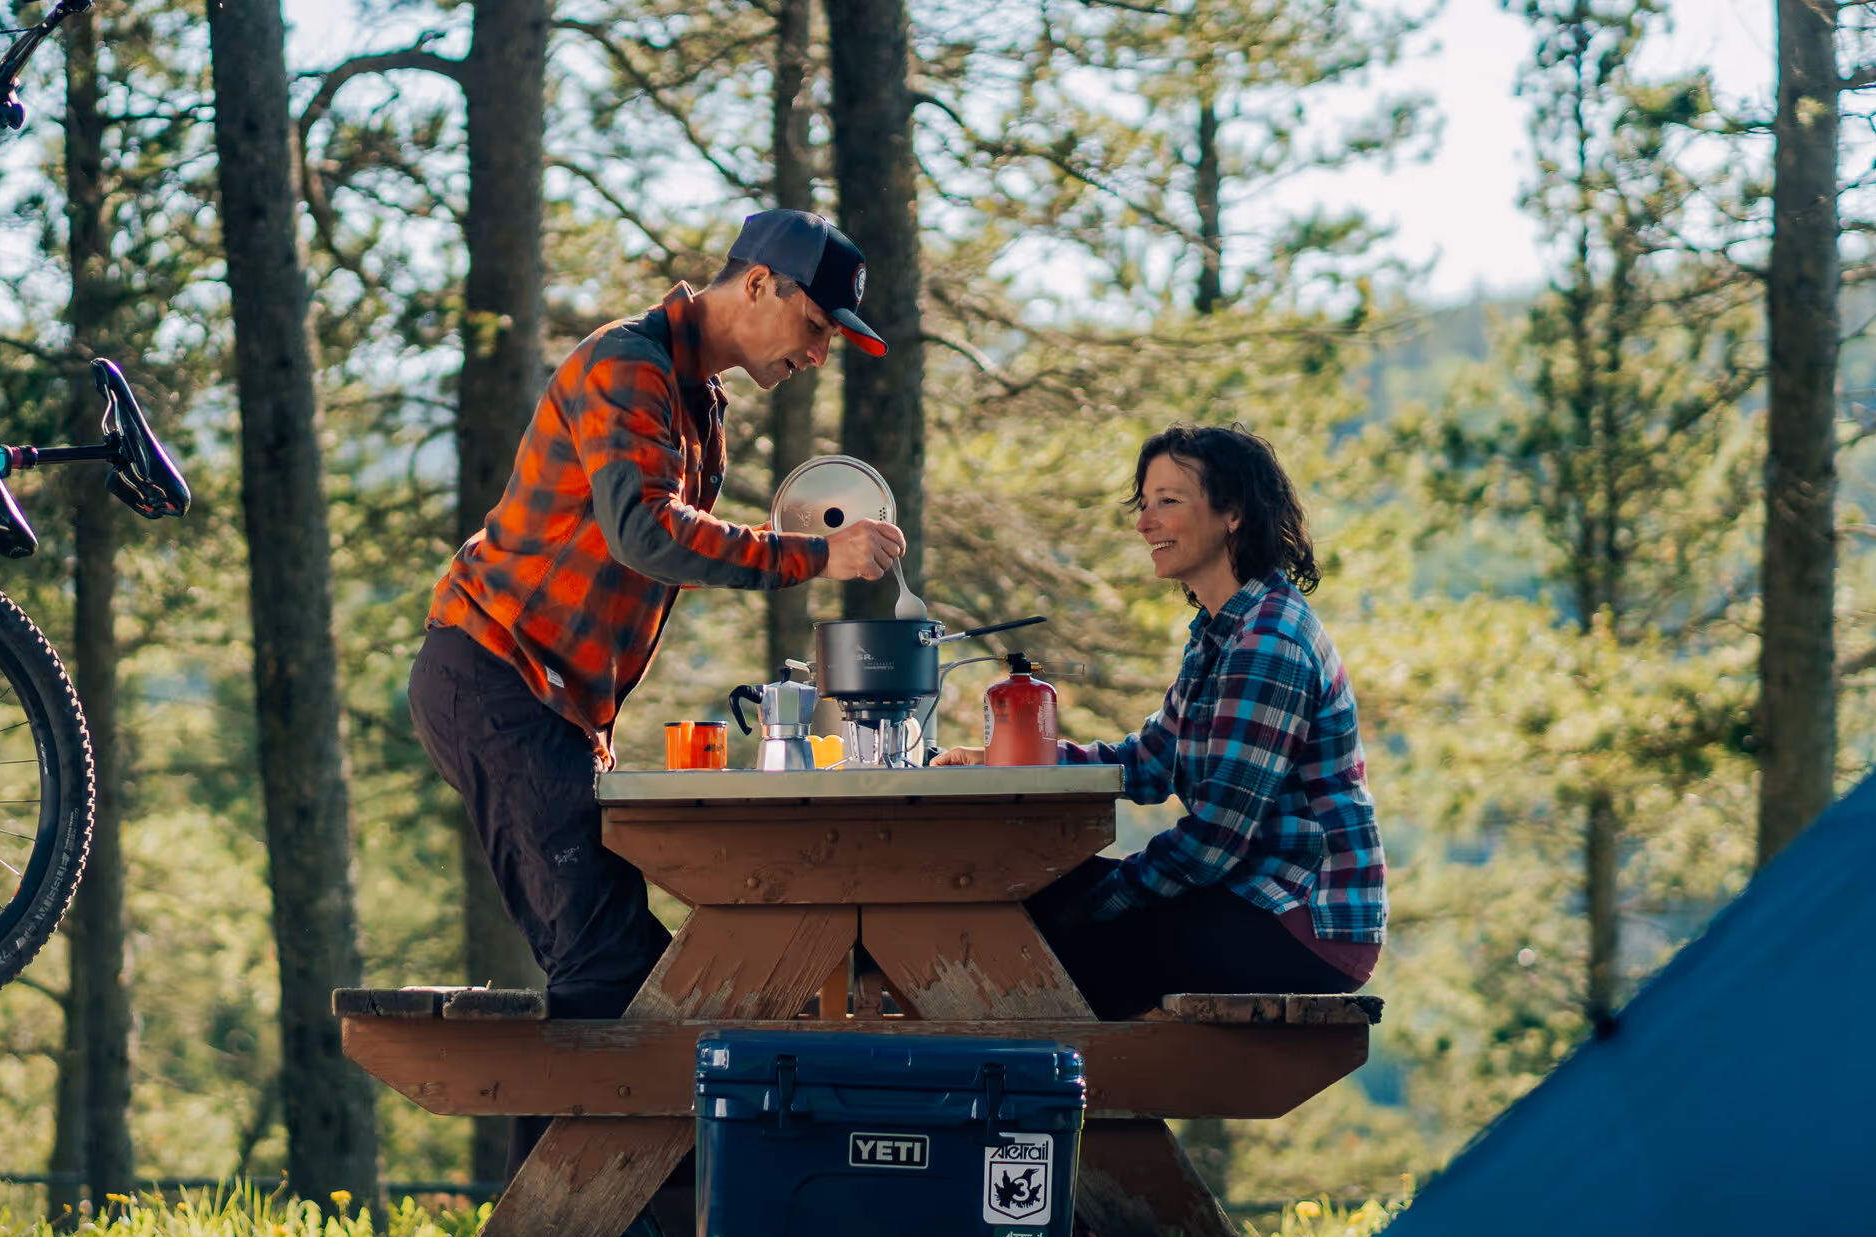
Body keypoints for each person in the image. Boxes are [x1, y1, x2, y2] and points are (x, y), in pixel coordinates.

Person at [411, 208, 910, 1021]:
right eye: (815, 326)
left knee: (627, 984)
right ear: (757, 283)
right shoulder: (626, 362)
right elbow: (646, 534)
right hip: (495, 680)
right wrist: (816, 556)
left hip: (547, 706)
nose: (818, 355)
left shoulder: (694, 397)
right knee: (611, 980)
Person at [942, 423, 1385, 1016]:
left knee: (1049, 946)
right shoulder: (1221, 630)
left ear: (1233, 513)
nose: (1144, 522)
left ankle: (1049, 1095)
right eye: (1144, 504)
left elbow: (1214, 840)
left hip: (1300, 922)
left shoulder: (1268, 641)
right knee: (1025, 900)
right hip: (1249, 896)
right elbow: (1147, 764)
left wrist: (1104, 899)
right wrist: (1007, 759)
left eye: (1168, 502)